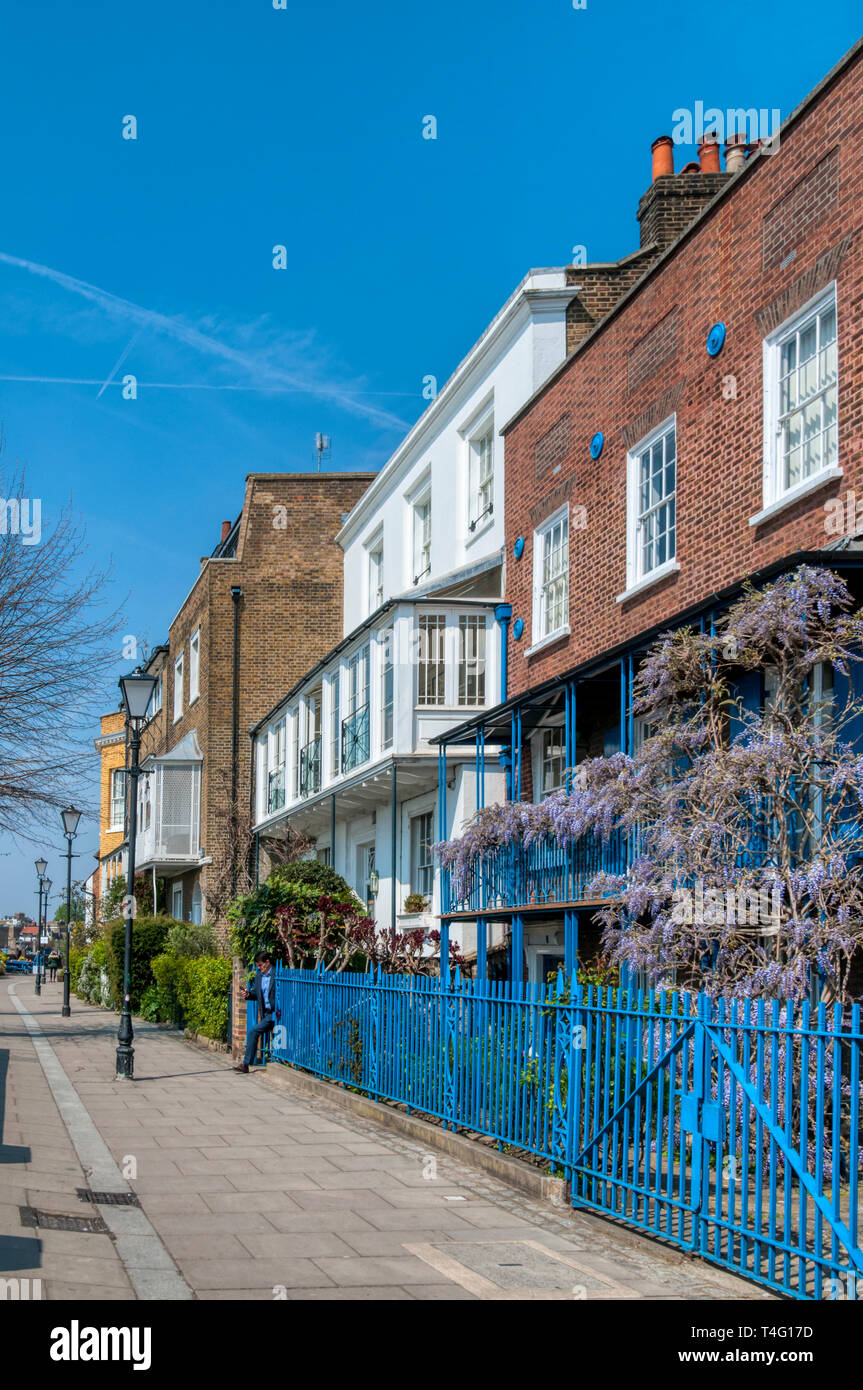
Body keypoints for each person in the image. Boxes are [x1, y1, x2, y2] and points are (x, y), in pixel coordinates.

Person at [233, 951, 278, 1074]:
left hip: (278, 1013)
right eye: (258, 966)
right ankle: (246, 1064)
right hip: (267, 1014)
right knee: (254, 1032)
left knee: (260, 1033)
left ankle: (246, 1064)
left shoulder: (277, 974)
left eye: (260, 965)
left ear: (267, 962)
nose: (259, 968)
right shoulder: (259, 976)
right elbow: (257, 994)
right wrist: (248, 994)